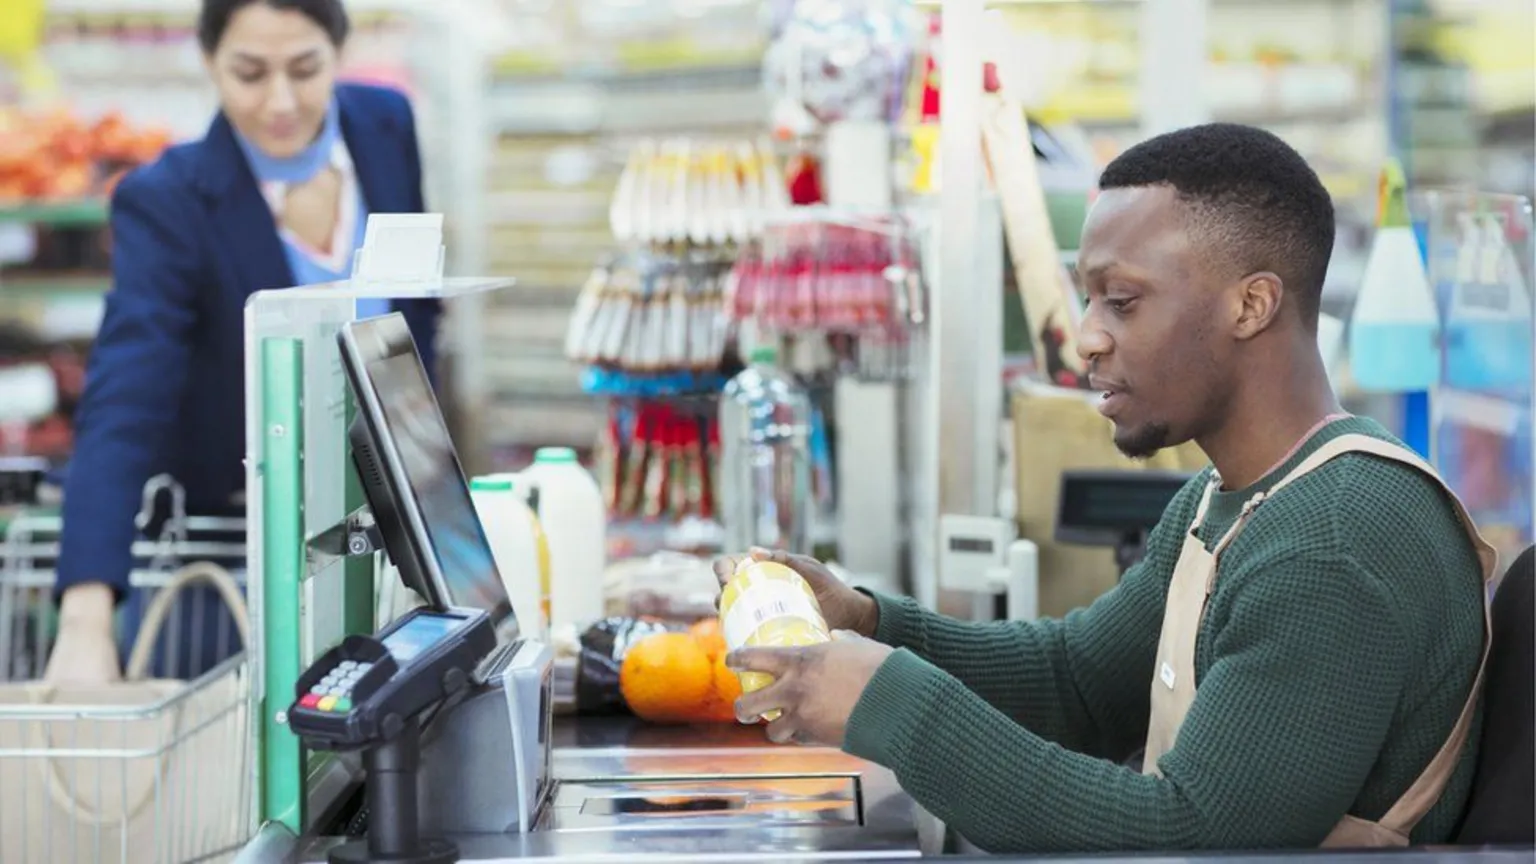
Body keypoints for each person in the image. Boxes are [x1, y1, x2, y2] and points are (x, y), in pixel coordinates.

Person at [716, 123, 1497, 853]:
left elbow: (1191, 839)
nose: (1087, 337)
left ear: (1252, 306)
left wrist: (889, 701)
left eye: (1121, 302)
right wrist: (872, 624)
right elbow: (1078, 685)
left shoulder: (1335, 540)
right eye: (1089, 299)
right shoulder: (1228, 500)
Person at [45, 0, 441, 685]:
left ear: (339, 51)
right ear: (209, 63)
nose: (280, 102)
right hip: (239, 561)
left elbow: (415, 318)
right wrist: (85, 615)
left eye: (305, 68)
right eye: (250, 73)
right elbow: (125, 396)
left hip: (384, 543)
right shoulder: (169, 199)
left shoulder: (384, 128)